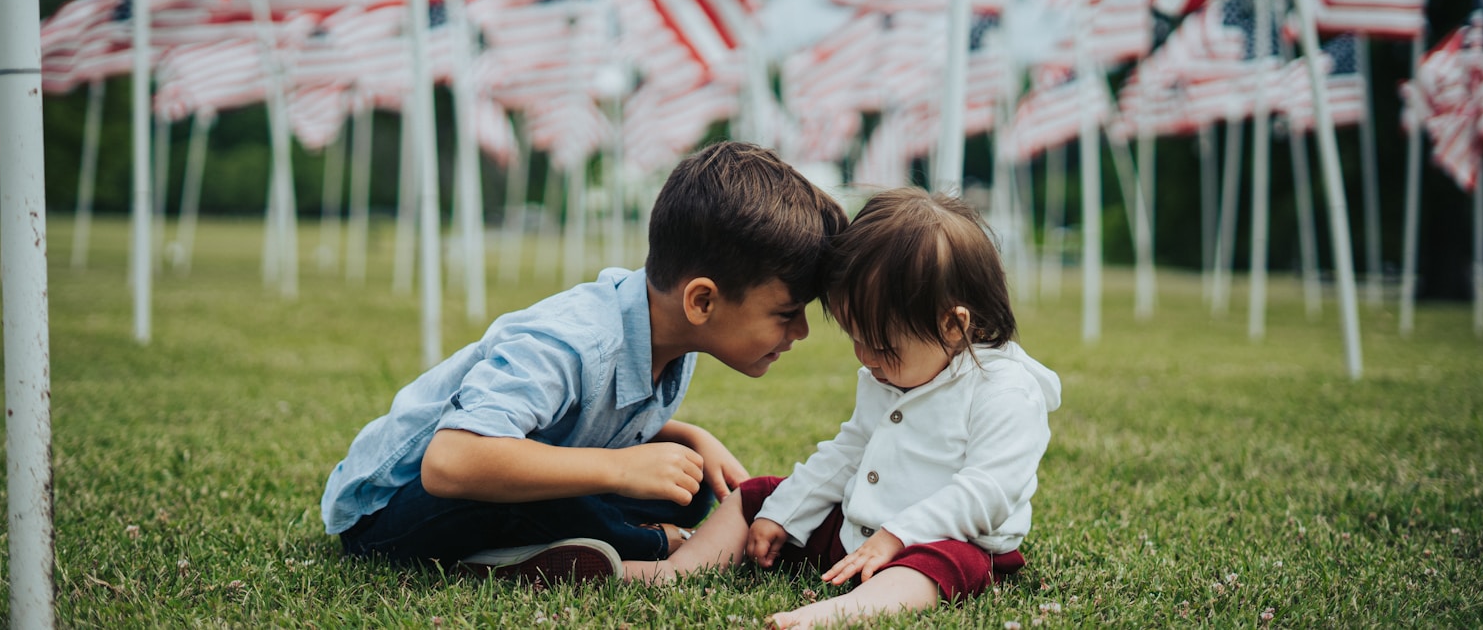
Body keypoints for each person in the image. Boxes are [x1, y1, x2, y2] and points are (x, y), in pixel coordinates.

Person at [319, 141, 849, 583]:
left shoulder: (667, 329)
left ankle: (528, 552)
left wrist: (688, 437)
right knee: (575, 496)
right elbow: (450, 461)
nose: (799, 332)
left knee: (685, 494)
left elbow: (582, 415)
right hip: (392, 513)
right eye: (786, 313)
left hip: (506, 474)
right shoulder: (572, 342)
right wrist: (620, 468)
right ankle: (649, 549)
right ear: (702, 301)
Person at [624, 187, 1062, 628]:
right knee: (758, 495)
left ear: (954, 325)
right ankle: (677, 571)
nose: (866, 359)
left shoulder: (1004, 390)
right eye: (855, 338)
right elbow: (848, 452)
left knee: (941, 564)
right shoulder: (889, 373)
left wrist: (898, 536)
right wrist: (783, 513)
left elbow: (987, 492)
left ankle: (842, 612)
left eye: (882, 346)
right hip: (857, 530)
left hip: (942, 543)